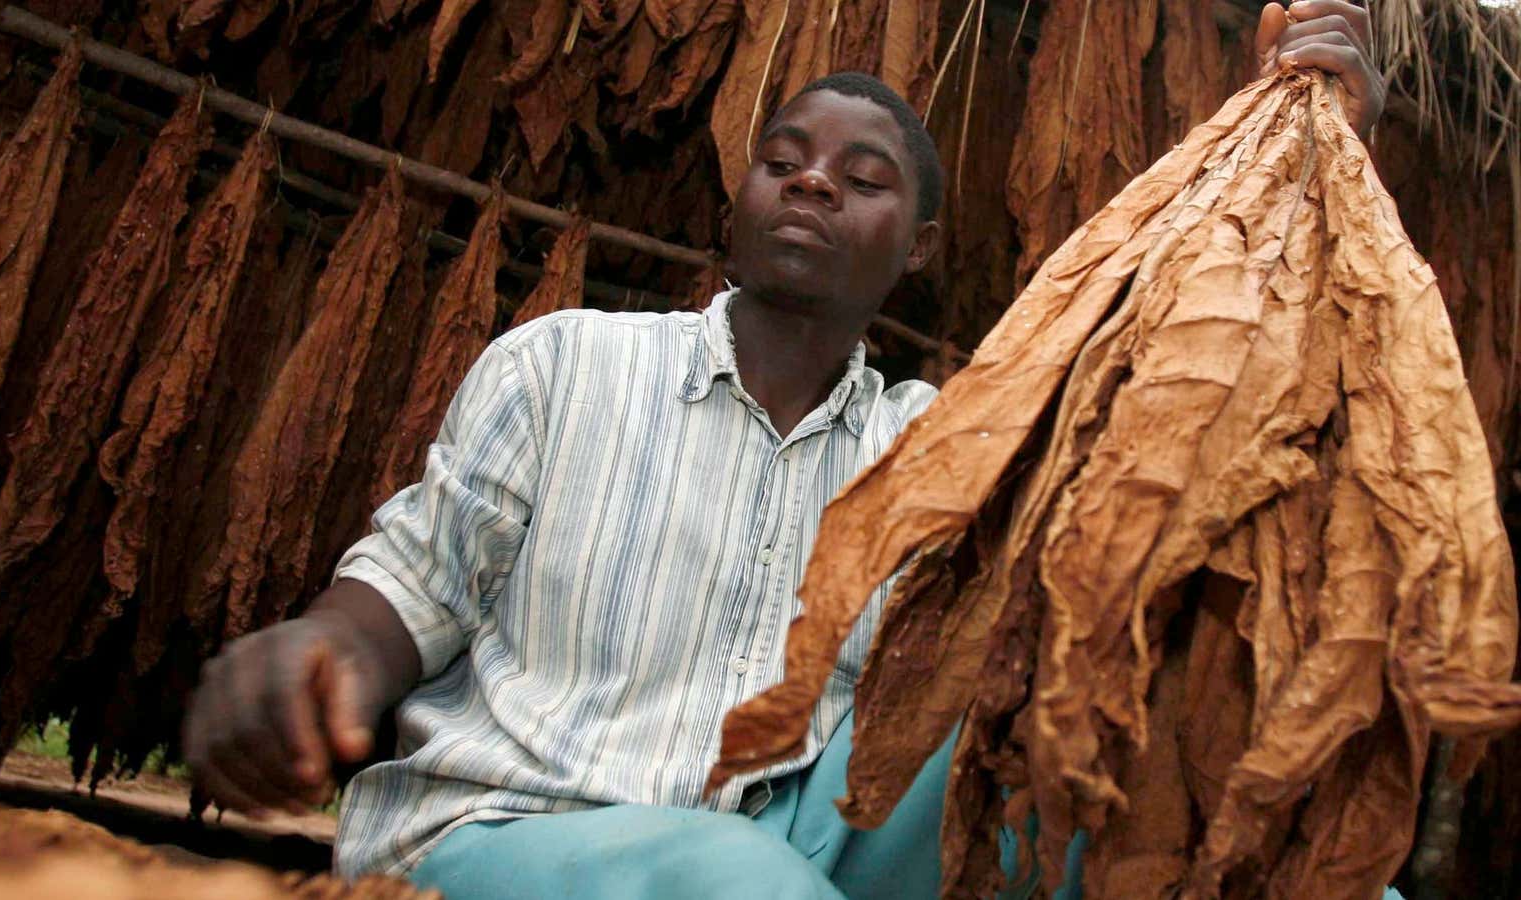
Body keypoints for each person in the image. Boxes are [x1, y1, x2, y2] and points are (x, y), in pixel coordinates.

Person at [185, 4, 1387, 897]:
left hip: (799, 833)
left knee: (1178, 822)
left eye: (861, 180)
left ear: (913, 248)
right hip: (502, 826)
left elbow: (1169, 457)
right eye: (783, 159)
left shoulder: (934, 443)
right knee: (736, 887)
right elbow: (412, 587)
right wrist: (318, 652)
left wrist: (1302, 141)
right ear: (740, 194)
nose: (811, 180)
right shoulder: (564, 363)